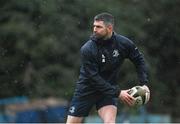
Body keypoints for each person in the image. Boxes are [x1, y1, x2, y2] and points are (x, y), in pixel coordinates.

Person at [66, 12, 150, 123]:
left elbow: (139, 60)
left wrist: (143, 83)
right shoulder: (87, 49)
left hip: (107, 92)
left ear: (109, 28)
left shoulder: (124, 44)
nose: (95, 29)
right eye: (94, 26)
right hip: (86, 90)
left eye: (99, 27)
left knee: (110, 122)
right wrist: (118, 93)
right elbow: (93, 78)